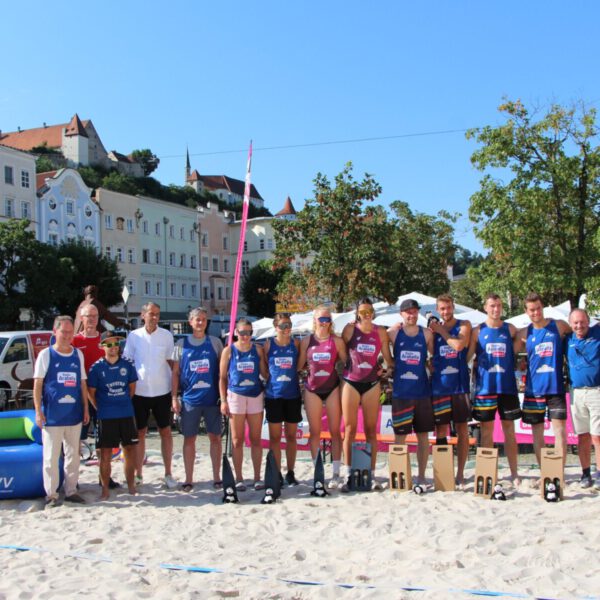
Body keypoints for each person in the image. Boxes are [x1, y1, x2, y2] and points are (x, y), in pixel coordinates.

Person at [33, 316, 89, 507]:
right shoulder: (46, 355)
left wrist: (86, 408)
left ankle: (71, 490)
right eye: (63, 332)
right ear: (55, 332)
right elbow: (38, 384)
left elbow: (82, 383)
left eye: (69, 332)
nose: (66, 336)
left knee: (74, 456)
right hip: (52, 416)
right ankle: (51, 495)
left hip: (74, 415)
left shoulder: (77, 355)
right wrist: (38, 412)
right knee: (50, 457)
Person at [467, 293, 521, 484]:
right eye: (492, 306)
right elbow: (467, 358)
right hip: (485, 389)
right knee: (487, 432)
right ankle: (487, 472)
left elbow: (525, 338)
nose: (496, 309)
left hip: (507, 388)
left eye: (498, 305)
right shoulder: (477, 331)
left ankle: (514, 473)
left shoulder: (510, 329)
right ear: (485, 307)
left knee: (509, 431)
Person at [341, 297, 394, 490]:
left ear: (373, 313)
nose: (366, 315)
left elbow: (388, 358)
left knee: (371, 430)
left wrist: (387, 370)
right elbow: (339, 351)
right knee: (349, 430)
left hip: (372, 383)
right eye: (362, 312)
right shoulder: (349, 329)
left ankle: (371, 475)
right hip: (351, 382)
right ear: (357, 313)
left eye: (369, 312)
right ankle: (348, 474)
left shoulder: (380, 331)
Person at [123, 302, 177, 488]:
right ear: (143, 314)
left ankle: (168, 473)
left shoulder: (167, 336)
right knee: (140, 433)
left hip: (162, 391)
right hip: (139, 392)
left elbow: (172, 365)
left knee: (166, 432)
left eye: (157, 314)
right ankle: (138, 474)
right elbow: (128, 363)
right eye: (151, 314)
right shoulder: (133, 336)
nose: (154, 317)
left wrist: (175, 394)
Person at [514, 292, 571, 466]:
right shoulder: (524, 333)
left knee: (560, 432)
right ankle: (545, 472)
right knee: (537, 434)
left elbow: (576, 336)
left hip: (555, 387)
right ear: (526, 311)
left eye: (538, 308)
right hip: (533, 390)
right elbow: (509, 354)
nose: (536, 312)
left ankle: (558, 473)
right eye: (531, 310)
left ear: (542, 307)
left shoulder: (559, 326)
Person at [171, 307, 224, 492]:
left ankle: (217, 477)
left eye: (203, 319)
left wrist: (223, 398)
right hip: (190, 400)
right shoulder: (180, 344)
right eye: (197, 319)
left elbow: (222, 373)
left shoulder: (215, 343)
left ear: (207, 321)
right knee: (189, 439)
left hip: (212, 400)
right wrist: (174, 397)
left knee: (215, 439)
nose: (200, 322)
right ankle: (188, 479)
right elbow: (175, 373)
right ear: (191, 322)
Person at [298, 305, 347, 489]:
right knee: (315, 432)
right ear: (315, 320)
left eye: (327, 319)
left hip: (332, 387)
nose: (324, 323)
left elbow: (348, 363)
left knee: (335, 431)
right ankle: (317, 471)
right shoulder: (306, 341)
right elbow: (299, 365)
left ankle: (335, 473)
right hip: (312, 389)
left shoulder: (337, 341)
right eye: (321, 319)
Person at [72, 303, 120, 489]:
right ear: (81, 319)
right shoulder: (75, 341)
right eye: (87, 316)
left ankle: (104, 477)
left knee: (103, 441)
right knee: (77, 439)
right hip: (80, 398)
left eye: (94, 316)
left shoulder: (106, 342)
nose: (91, 319)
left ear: (98, 318)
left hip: (102, 399)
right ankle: (73, 479)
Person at [388, 299, 434, 486]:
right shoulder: (392, 333)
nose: (411, 315)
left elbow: (434, 357)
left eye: (414, 312)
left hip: (422, 393)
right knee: (400, 437)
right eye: (408, 312)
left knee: (423, 436)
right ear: (401, 314)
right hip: (401, 393)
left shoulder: (426, 334)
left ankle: (421, 475)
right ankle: (400, 475)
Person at [87, 331, 138, 500]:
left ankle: (131, 486)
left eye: (116, 343)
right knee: (105, 453)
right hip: (106, 415)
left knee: (129, 450)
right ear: (102, 347)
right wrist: (100, 407)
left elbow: (131, 389)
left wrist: (121, 403)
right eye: (108, 344)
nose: (113, 347)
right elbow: (91, 393)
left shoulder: (128, 365)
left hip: (126, 413)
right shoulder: (96, 368)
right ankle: (105, 490)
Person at [219, 318, 268, 491]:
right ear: (236, 333)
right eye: (243, 332)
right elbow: (222, 378)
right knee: (237, 439)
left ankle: (256, 477)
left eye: (249, 332)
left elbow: (264, 373)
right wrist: (223, 401)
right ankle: (239, 477)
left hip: (255, 395)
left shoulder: (258, 350)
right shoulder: (229, 350)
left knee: (255, 439)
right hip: (236, 395)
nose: (246, 336)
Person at [429, 294, 472, 487]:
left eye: (448, 308)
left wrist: (441, 331)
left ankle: (461, 473)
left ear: (453, 307)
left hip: (460, 386)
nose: (446, 312)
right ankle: (444, 473)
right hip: (440, 387)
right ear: (438, 310)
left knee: (462, 430)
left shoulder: (464, 325)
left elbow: (458, 345)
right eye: (442, 309)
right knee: (441, 431)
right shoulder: (433, 331)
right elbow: (428, 352)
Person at [262, 313, 302, 486]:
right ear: (276, 327)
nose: (287, 329)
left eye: (289, 325)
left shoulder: (296, 344)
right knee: (275, 438)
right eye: (283, 326)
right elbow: (264, 369)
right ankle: (277, 472)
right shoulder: (268, 344)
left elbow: (300, 367)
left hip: (292, 395)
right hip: (274, 396)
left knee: (292, 436)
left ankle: (290, 472)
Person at [565, 308, 600, 489]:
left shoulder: (597, 333)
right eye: (575, 323)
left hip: (596, 391)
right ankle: (586, 473)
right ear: (571, 324)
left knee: (597, 436)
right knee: (582, 436)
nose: (579, 325)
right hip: (576, 393)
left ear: (588, 321)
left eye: (582, 321)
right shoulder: (567, 339)